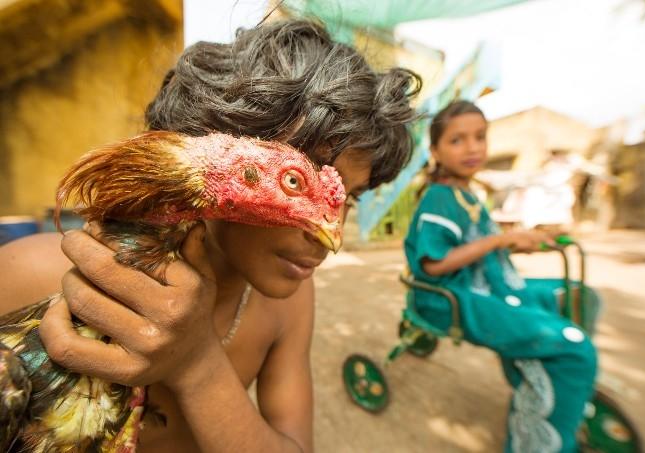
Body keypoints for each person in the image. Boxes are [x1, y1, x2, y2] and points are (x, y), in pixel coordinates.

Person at [0, 19, 420, 452]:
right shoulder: (29, 273)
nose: (332, 236)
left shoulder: (290, 303)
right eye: (297, 182)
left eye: (348, 199)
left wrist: (197, 361)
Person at [404, 100, 597, 453]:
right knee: (574, 347)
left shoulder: (470, 196)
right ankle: (539, 436)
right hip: (455, 296)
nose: (473, 147)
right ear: (435, 151)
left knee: (575, 295)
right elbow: (434, 264)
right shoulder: (439, 199)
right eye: (457, 140)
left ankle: (548, 385)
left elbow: (483, 246)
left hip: (491, 284)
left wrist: (527, 241)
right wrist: (501, 239)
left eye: (480, 136)